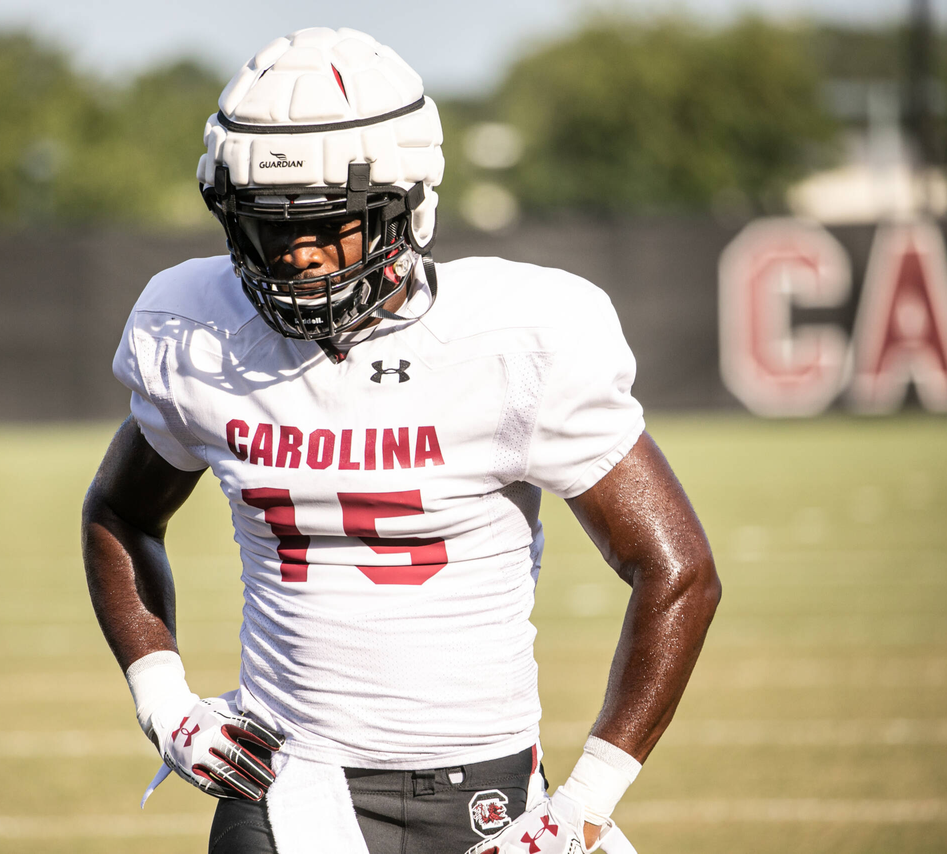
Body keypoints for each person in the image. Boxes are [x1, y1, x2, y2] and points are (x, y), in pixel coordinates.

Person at [82, 26, 720, 854]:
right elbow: (120, 513)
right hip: (286, 783)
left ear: (406, 205)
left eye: (327, 224)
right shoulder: (198, 332)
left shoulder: (512, 341)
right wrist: (162, 698)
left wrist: (587, 801)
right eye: (269, 228)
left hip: (490, 790)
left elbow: (678, 571)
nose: (297, 258)